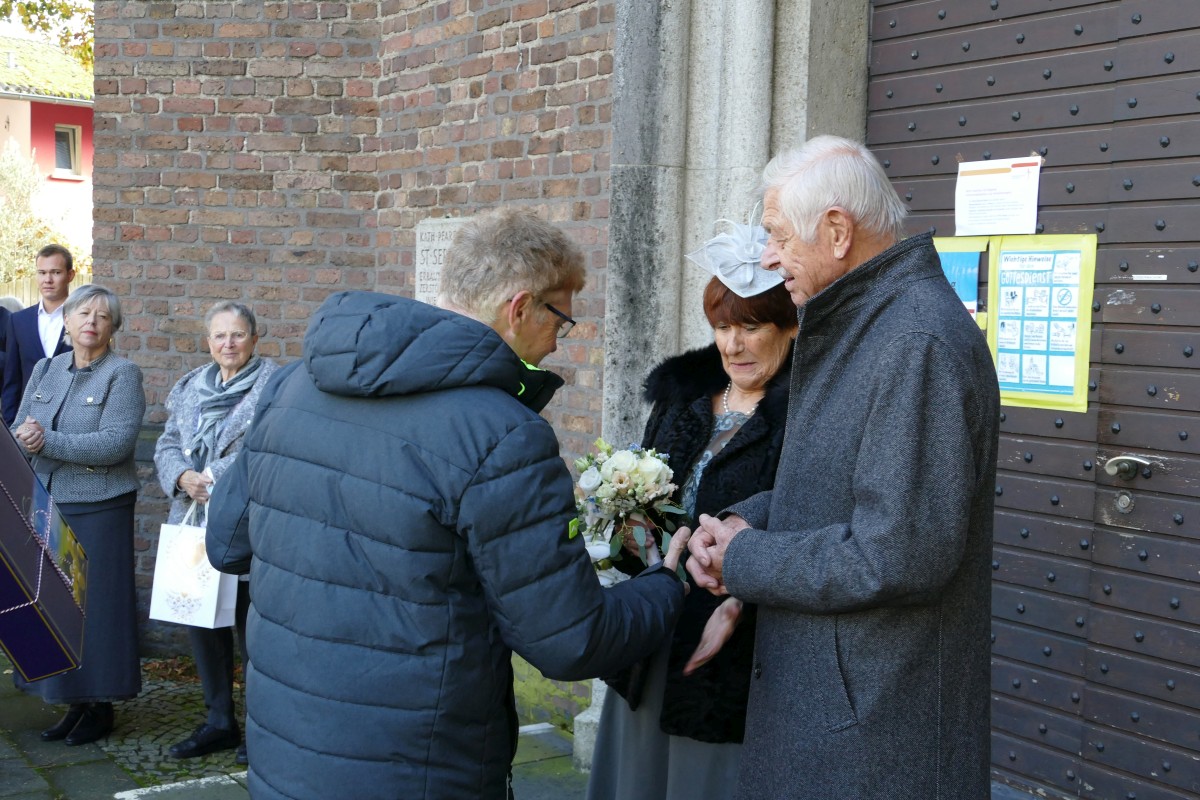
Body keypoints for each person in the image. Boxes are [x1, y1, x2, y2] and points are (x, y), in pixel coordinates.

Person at [206, 208, 687, 800]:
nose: (559, 339)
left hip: (287, 754)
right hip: (418, 767)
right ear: (519, 308)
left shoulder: (290, 386)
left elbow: (227, 543)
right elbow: (569, 641)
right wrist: (666, 586)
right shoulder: (502, 434)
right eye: (560, 317)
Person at [686, 135, 1000, 800]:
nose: (766, 257)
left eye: (777, 236)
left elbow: (900, 554)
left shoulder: (914, 342)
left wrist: (746, 559)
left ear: (836, 231)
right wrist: (745, 523)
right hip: (840, 715)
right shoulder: (864, 325)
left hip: (871, 735)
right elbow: (836, 488)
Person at [587, 223, 797, 800]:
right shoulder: (681, 399)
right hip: (651, 623)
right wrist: (625, 524)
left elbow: (808, 521)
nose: (733, 345)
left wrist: (740, 593)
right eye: (723, 327)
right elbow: (646, 492)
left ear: (790, 326)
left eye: (751, 327)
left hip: (731, 645)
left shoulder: (806, 414)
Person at [10, 284, 145, 746]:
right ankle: (73, 701)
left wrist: (47, 441)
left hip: (99, 507)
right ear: (66, 321)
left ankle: (100, 705)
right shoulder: (45, 369)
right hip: (46, 502)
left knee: (97, 610)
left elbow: (115, 444)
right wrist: (24, 436)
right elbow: (20, 425)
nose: (92, 322)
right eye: (84, 313)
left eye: (103, 316)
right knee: (57, 608)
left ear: (113, 327)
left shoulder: (122, 374)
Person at [153, 301, 279, 766]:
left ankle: (261, 727)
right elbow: (168, 441)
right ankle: (219, 721)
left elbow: (266, 447)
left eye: (238, 334)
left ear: (255, 338)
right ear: (208, 342)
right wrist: (181, 476)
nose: (229, 343)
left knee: (251, 627)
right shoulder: (191, 386)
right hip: (194, 521)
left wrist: (211, 477)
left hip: (246, 521)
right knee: (202, 621)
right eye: (220, 335)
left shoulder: (275, 386)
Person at [2, 245, 75, 426]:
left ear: (70, 275)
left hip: (71, 421)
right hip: (27, 423)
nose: (47, 279)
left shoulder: (84, 319)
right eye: (42, 273)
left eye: (56, 272)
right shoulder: (18, 321)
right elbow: (12, 379)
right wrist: (11, 426)